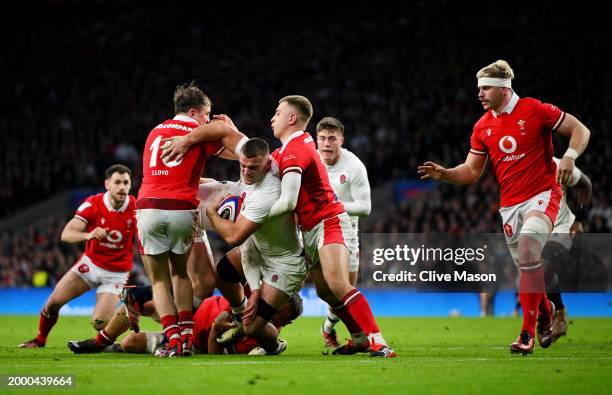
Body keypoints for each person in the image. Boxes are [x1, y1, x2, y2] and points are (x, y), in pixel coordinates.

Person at [418, 60, 590, 355]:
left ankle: (526, 335)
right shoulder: (482, 126)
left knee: (528, 250)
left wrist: (571, 156)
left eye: (485, 88)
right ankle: (547, 314)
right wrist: (445, 173)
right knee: (528, 268)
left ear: (503, 89)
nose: (480, 94)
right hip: (510, 206)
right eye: (479, 88)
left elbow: (580, 129)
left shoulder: (535, 109)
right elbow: (472, 172)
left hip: (543, 194)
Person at [268, 96, 395, 357]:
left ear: (292, 119)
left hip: (329, 221)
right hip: (309, 229)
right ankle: (358, 338)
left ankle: (378, 340)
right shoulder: (289, 149)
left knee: (338, 283)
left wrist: (254, 217)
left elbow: (289, 200)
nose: (273, 117)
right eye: (322, 138)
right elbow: (258, 162)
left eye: (278, 113)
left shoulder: (299, 150)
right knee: (325, 290)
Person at [136, 82, 246, 357]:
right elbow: (243, 155)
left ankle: (171, 340)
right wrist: (229, 129)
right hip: (182, 208)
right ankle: (185, 338)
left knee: (160, 281)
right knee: (180, 274)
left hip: (147, 206)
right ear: (195, 112)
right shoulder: (198, 132)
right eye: (207, 115)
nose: (208, 121)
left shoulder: (154, 132)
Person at [205, 138, 308, 356]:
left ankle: (274, 345)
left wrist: (212, 214)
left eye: (253, 167)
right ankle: (238, 312)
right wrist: (254, 289)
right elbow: (249, 247)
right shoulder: (249, 173)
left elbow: (233, 236)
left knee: (252, 327)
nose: (246, 172)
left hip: (285, 263)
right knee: (221, 273)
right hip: (261, 248)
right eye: (243, 165)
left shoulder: (267, 193)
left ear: (268, 163)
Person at [19, 164, 136, 348]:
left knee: (100, 323)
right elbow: (66, 234)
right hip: (91, 265)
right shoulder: (93, 204)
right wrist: (88, 235)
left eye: (126, 183)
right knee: (52, 304)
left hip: (116, 273)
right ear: (107, 184)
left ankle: (122, 326)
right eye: (117, 182)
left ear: (130, 186)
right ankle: (40, 340)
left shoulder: (136, 209)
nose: (122, 187)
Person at [67, 288, 302, 355]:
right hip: (194, 308)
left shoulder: (262, 334)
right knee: (144, 303)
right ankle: (99, 342)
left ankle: (110, 346)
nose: (287, 321)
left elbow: (214, 354)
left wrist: (214, 331)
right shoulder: (256, 300)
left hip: (194, 340)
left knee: (130, 342)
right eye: (287, 314)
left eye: (289, 318)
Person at [315, 116, 372, 348]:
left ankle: (327, 327)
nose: (326, 143)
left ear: (341, 140)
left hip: (345, 234)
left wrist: (334, 207)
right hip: (309, 233)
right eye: (322, 138)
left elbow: (365, 208)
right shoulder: (311, 160)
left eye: (332, 138)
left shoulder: (354, 166)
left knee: (345, 292)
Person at [542, 157, 592, 341]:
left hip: (561, 227)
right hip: (535, 230)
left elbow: (585, 185)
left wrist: (579, 219)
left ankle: (551, 316)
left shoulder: (558, 165)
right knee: (535, 276)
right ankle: (559, 312)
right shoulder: (517, 167)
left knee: (544, 269)